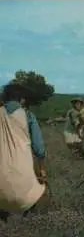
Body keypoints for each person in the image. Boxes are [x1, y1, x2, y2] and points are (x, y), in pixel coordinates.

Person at [0, 83, 49, 222]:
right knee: (30, 202)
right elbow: (39, 148)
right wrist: (42, 170)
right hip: (23, 173)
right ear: (21, 99)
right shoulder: (27, 115)